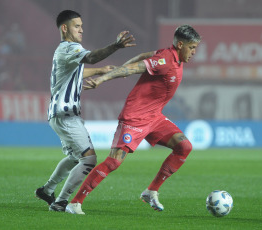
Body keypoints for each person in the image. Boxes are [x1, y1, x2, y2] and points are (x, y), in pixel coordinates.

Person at [65, 24, 201, 214]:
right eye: (192, 47)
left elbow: (142, 56)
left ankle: (151, 191)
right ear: (180, 45)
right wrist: (103, 79)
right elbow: (133, 69)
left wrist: (121, 67)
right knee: (113, 162)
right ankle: (75, 203)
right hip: (134, 117)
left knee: (184, 147)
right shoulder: (165, 60)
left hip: (155, 118)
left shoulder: (169, 55)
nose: (194, 52)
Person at [35, 10, 135, 212]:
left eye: (81, 26)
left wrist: (101, 71)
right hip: (65, 115)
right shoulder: (70, 48)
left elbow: (77, 71)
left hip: (59, 114)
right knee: (89, 159)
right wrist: (115, 46)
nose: (81, 29)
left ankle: (48, 190)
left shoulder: (63, 52)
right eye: (76, 26)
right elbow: (91, 57)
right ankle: (61, 202)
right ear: (65, 28)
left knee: (74, 157)